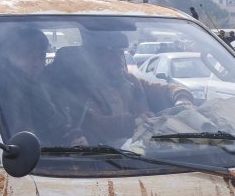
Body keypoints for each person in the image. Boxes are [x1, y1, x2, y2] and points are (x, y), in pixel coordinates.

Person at [45, 32, 194, 146]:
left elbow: (166, 89)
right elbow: (96, 125)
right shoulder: (80, 89)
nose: (119, 60)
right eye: (111, 55)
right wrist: (135, 122)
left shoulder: (130, 80)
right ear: (95, 59)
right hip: (110, 159)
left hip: (151, 152)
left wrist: (182, 99)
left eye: (120, 54)